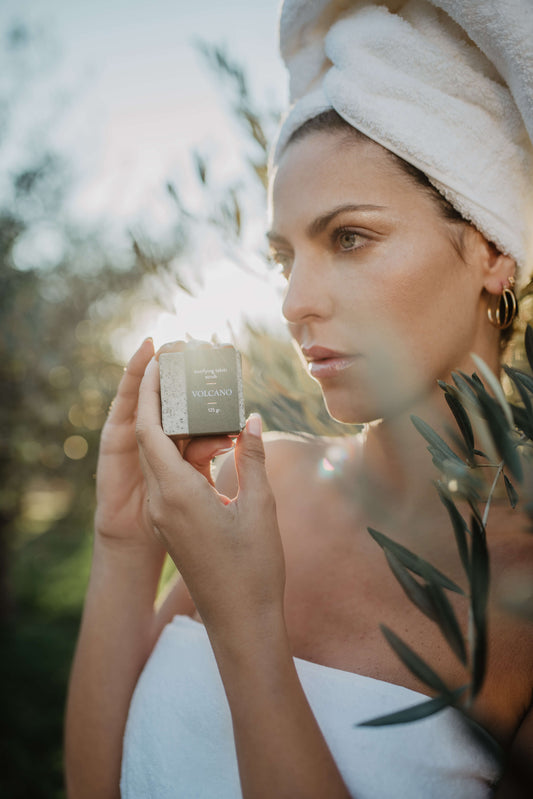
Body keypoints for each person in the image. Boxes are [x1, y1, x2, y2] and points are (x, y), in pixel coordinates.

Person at [64, 1, 533, 797]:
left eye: (349, 237)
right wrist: (123, 540)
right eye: (286, 258)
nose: (294, 302)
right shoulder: (259, 485)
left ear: (490, 249)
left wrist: (248, 625)